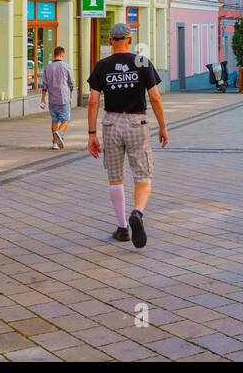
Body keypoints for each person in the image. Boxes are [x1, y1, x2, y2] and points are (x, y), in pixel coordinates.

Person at [86, 23, 168, 248]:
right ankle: (137, 213)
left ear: (111, 41)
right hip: (136, 122)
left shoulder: (102, 66)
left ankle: (122, 228)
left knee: (115, 177)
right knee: (143, 175)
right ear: (130, 40)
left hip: (111, 122)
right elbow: (155, 98)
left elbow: (93, 101)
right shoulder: (142, 62)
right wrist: (162, 126)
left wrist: (92, 133)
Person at [39, 46, 75, 150]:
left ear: (54, 55)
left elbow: (44, 85)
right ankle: (59, 133)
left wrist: (42, 100)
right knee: (66, 120)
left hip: (52, 99)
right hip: (63, 98)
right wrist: (71, 92)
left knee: (54, 120)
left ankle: (55, 143)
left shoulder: (47, 68)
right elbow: (71, 82)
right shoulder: (66, 67)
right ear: (62, 55)